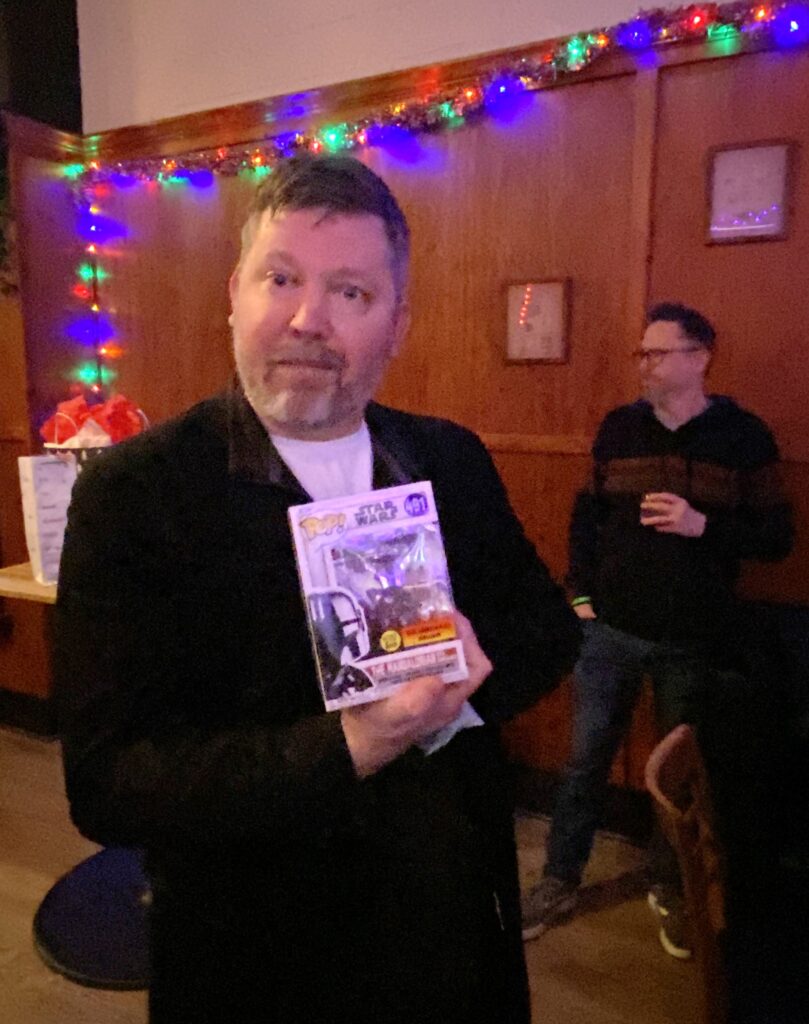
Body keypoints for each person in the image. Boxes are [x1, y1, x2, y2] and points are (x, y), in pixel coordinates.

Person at [53, 155, 581, 1024]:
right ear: (234, 294)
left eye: (350, 292)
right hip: (252, 956)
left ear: (396, 324)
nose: (308, 319)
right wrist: (354, 742)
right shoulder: (135, 493)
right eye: (281, 279)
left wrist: (462, 686)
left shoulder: (448, 458)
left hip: (447, 925)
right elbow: (109, 782)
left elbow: (547, 631)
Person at [520, 302, 793, 958]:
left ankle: (672, 887)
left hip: (692, 637)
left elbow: (776, 538)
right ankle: (559, 880)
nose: (644, 365)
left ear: (699, 358)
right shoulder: (619, 428)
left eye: (658, 353)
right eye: (641, 353)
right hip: (609, 630)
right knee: (584, 762)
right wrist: (579, 595)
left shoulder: (743, 437)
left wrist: (704, 526)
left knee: (676, 779)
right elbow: (585, 518)